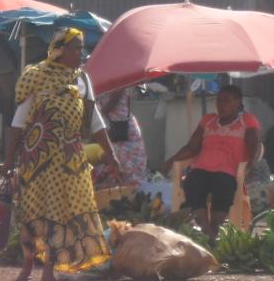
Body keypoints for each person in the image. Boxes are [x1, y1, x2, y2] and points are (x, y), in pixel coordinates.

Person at [7, 28, 116, 281]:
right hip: (37, 161)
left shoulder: (83, 81)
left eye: (82, 47)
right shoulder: (36, 77)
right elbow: (18, 122)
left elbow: (94, 121)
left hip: (69, 162)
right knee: (32, 213)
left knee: (62, 214)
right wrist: (8, 160)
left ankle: (49, 272)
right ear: (60, 49)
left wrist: (110, 153)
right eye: (76, 47)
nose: (82, 52)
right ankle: (27, 266)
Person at [164, 83, 261, 240]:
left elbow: (254, 143)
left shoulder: (247, 120)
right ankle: (207, 231)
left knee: (223, 185)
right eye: (219, 100)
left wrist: (253, 162)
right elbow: (191, 147)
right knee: (192, 182)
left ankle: (214, 229)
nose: (221, 105)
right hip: (202, 168)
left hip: (228, 170)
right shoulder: (208, 120)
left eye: (226, 100)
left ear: (238, 102)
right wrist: (171, 160)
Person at [92, 87, 148, 192]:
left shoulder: (117, 82)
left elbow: (113, 101)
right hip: (108, 129)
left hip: (123, 130)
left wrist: (95, 118)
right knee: (113, 169)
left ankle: (132, 196)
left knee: (129, 169)